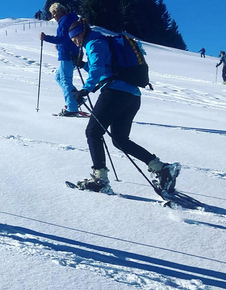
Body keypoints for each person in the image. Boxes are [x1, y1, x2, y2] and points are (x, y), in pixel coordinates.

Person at [68, 18, 180, 195]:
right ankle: (161, 168)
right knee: (120, 139)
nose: (74, 42)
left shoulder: (94, 42)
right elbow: (104, 67)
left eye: (74, 38)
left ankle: (100, 180)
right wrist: (81, 64)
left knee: (93, 132)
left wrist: (85, 90)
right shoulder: (103, 40)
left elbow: (97, 68)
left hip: (115, 94)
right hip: (132, 96)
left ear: (81, 33)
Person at [40, 3, 81, 117]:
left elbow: (62, 38)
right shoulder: (70, 19)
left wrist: (46, 38)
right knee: (59, 77)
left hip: (68, 56)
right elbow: (67, 38)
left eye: (54, 13)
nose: (53, 16)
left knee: (65, 80)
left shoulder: (64, 20)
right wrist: (60, 46)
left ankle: (72, 108)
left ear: (60, 11)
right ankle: (76, 98)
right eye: (52, 14)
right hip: (70, 54)